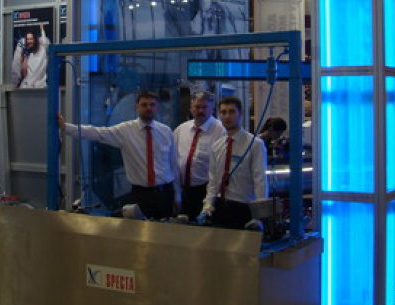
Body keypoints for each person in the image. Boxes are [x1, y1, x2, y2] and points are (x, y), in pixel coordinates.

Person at [58, 91, 180, 219]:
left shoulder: (166, 132)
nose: (148, 108)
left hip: (165, 193)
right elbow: (99, 133)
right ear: (137, 107)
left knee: (165, 229)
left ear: (157, 107)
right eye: (144, 105)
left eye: (152, 105)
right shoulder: (126, 130)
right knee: (139, 229)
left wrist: (178, 196)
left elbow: (174, 165)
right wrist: (66, 127)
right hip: (141, 194)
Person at [198, 97, 268, 229]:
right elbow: (213, 181)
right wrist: (207, 207)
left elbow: (260, 181)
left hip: (244, 208)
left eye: (231, 112)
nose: (227, 116)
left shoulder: (254, 144)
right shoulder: (217, 146)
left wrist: (259, 216)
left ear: (240, 113)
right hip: (221, 207)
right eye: (223, 112)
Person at [173, 91, 226, 218]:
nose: (200, 111)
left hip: (206, 191)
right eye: (197, 107)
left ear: (212, 109)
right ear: (191, 108)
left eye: (204, 107)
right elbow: (173, 159)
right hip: (182, 191)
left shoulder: (221, 131)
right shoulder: (181, 129)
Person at [11, 23, 50, 89]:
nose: (29, 41)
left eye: (31, 39)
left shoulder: (42, 49)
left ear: (35, 39)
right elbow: (24, 73)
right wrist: (25, 57)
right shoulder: (27, 54)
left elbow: (45, 42)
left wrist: (42, 29)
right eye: (27, 39)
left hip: (40, 86)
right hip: (27, 86)